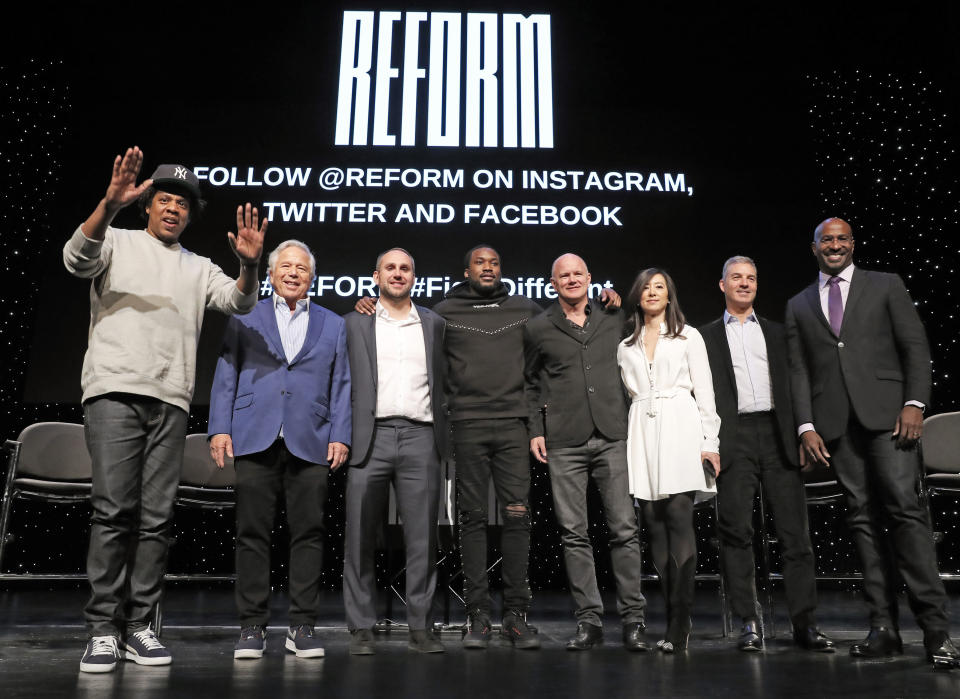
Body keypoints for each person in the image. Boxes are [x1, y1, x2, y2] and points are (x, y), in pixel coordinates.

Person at [63, 147, 266, 673]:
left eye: (182, 203)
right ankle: (103, 628)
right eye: (164, 199)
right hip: (114, 392)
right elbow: (75, 259)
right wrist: (107, 205)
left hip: (170, 399)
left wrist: (249, 266)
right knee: (113, 511)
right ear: (146, 205)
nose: (173, 208)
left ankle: (139, 628)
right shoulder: (117, 241)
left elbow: (240, 302)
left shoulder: (198, 267)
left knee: (155, 519)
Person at [785, 217, 959, 667]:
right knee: (861, 519)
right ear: (815, 247)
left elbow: (915, 348)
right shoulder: (799, 304)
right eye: (827, 239)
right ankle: (883, 626)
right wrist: (806, 425)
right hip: (836, 426)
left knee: (904, 510)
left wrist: (915, 402)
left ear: (853, 244)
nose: (835, 245)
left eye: (842, 239)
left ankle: (936, 631)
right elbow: (799, 371)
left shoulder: (885, 285)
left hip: (890, 419)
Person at [208, 239, 351, 660]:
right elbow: (226, 372)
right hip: (255, 433)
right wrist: (219, 427)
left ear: (312, 277)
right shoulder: (245, 315)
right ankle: (252, 627)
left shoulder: (333, 323)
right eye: (284, 266)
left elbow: (342, 384)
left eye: (301, 269)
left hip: (311, 439)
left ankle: (302, 626)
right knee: (252, 534)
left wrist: (339, 433)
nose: (292, 273)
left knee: (308, 533)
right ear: (270, 274)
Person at [701, 256, 833, 653]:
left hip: (777, 433)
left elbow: (798, 383)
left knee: (795, 534)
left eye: (751, 278)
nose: (744, 284)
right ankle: (748, 622)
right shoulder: (703, 336)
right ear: (721, 285)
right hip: (734, 436)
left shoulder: (778, 332)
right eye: (736, 278)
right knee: (735, 532)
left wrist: (803, 430)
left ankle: (805, 624)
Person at [524, 254, 647, 651]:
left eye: (578, 274)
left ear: (590, 279)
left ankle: (633, 620)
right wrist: (535, 429)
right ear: (553, 282)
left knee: (624, 529)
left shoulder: (614, 316)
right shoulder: (539, 327)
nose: (572, 279)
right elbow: (529, 384)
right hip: (564, 439)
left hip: (613, 433)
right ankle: (589, 621)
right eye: (564, 275)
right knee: (574, 534)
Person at [343, 248, 448, 654]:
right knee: (359, 536)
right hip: (371, 435)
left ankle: (420, 626)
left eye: (406, 268)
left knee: (423, 537)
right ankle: (361, 627)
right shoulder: (355, 322)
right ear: (376, 276)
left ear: (414, 277)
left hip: (421, 436)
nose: (398, 273)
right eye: (391, 267)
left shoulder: (435, 323)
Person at [617, 268, 720, 653]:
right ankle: (670, 613)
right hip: (642, 430)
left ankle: (681, 620)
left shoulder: (688, 336)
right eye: (645, 286)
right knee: (653, 523)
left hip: (681, 425)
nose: (652, 292)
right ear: (637, 294)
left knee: (679, 516)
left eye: (659, 286)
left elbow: (705, 392)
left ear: (669, 294)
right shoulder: (625, 342)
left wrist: (711, 442)